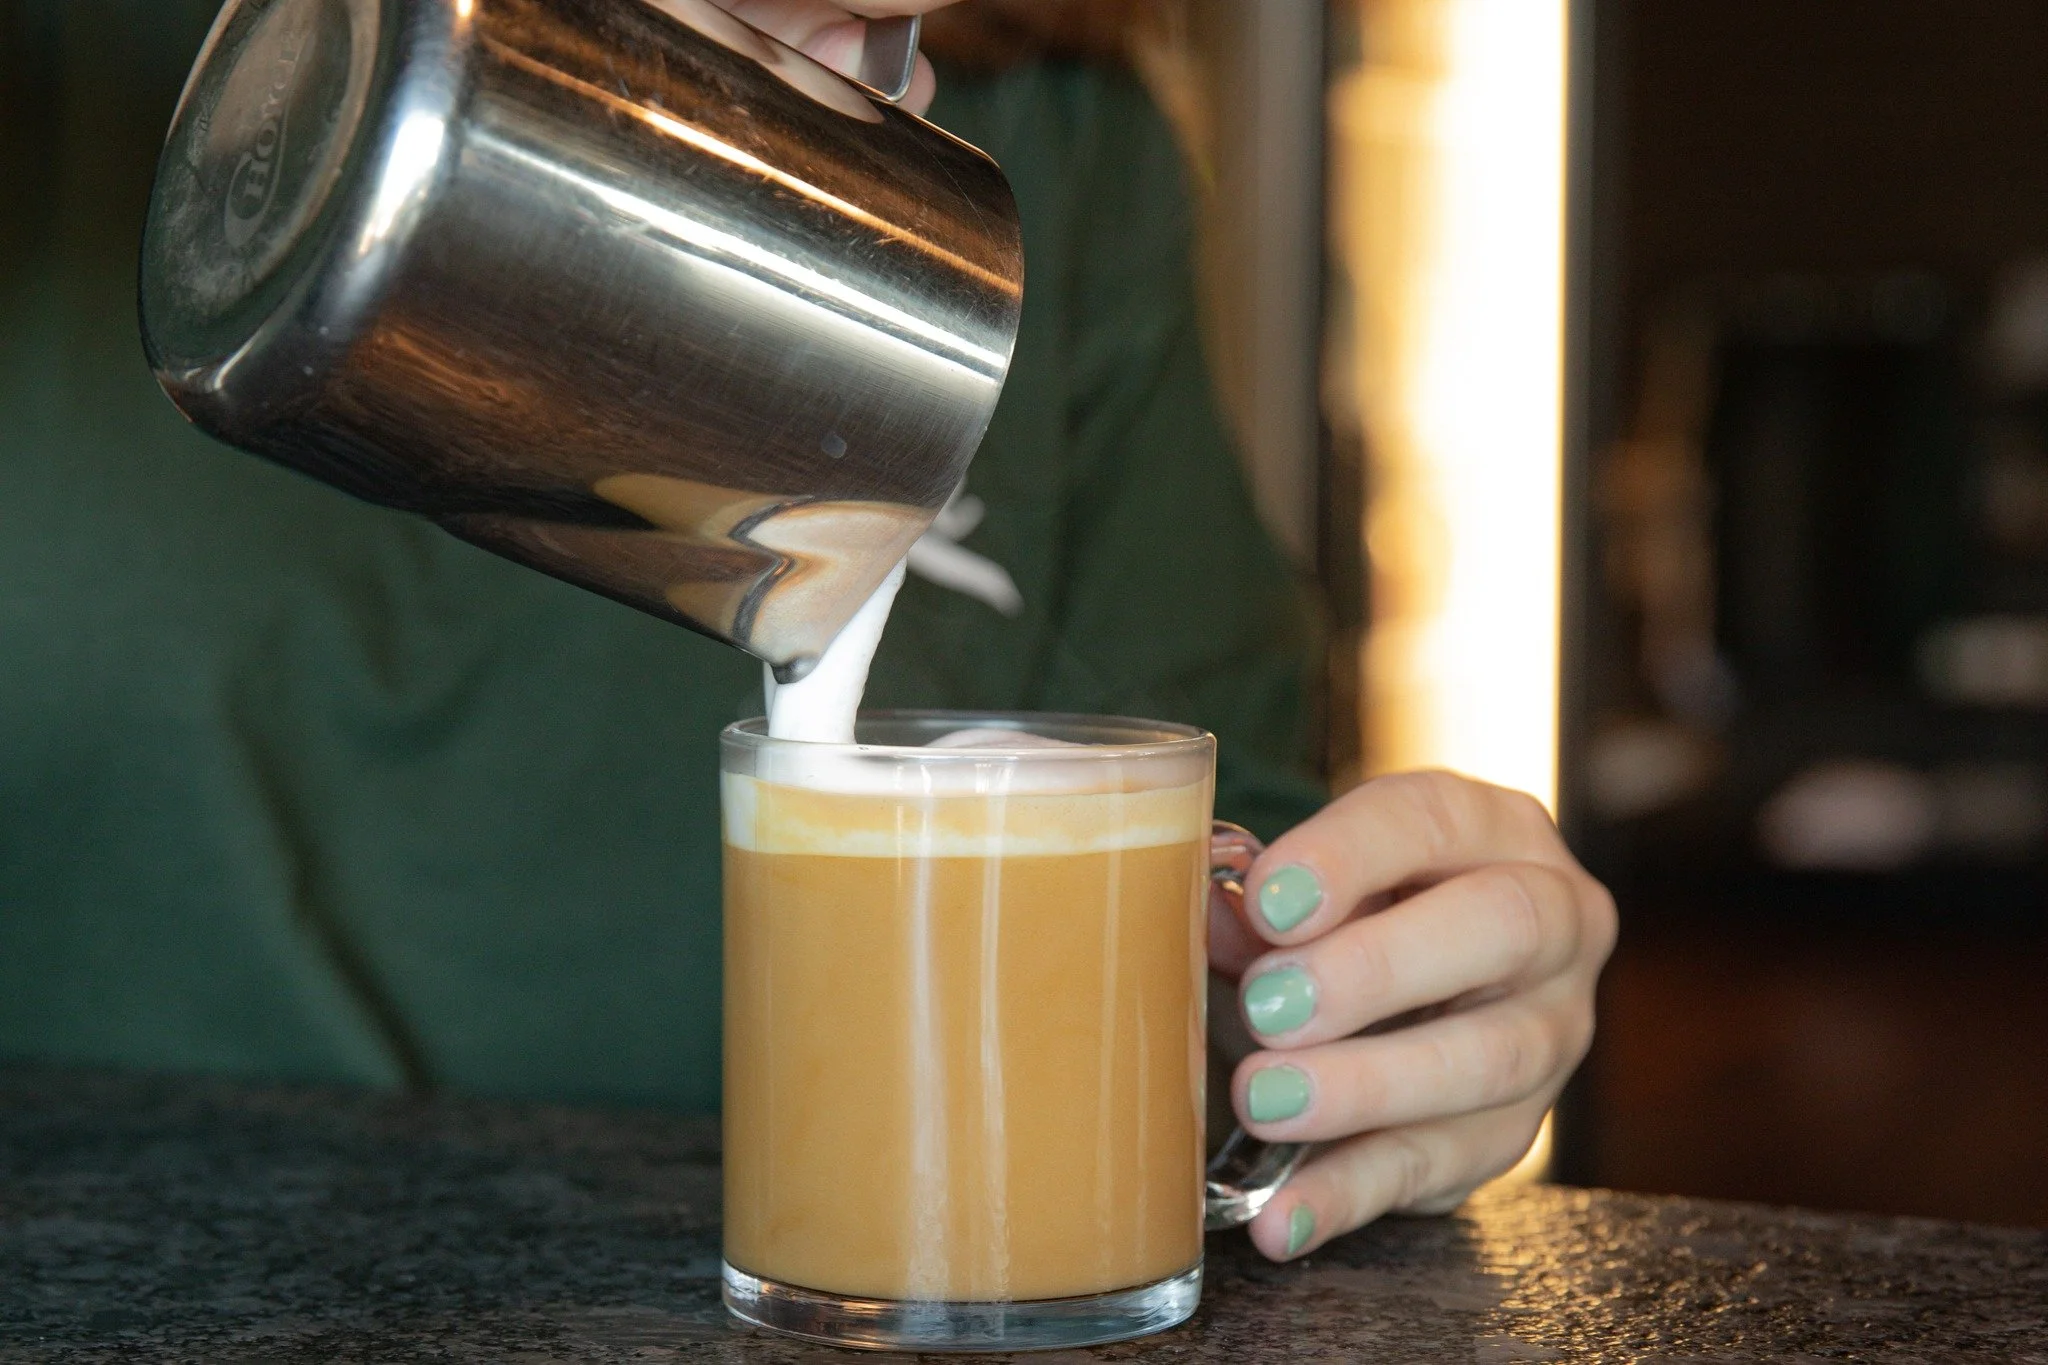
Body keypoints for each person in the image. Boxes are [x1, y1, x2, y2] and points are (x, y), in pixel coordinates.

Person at [0, 0, 1614, 1265]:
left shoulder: (1052, 143)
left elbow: (1215, 899)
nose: (874, 46)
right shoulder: (93, 84)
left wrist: (1392, 1000)